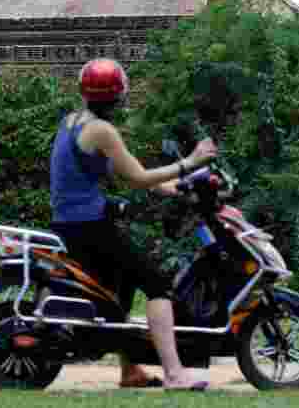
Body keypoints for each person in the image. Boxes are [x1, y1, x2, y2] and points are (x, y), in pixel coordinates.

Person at [49, 58, 217, 392]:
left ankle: (131, 371)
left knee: (120, 291)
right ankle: (174, 374)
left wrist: (169, 188)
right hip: (89, 226)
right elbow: (137, 177)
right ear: (118, 98)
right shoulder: (102, 130)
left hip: (71, 223)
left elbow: (116, 170)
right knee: (155, 284)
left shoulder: (72, 122)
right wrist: (191, 163)